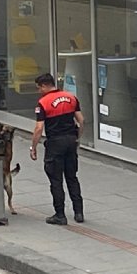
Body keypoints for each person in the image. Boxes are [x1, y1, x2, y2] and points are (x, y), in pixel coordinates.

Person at [30, 73, 85, 225]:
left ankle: (60, 215)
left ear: (44, 86)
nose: (39, 91)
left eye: (39, 88)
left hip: (55, 144)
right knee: (72, 177)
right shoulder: (71, 97)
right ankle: (78, 212)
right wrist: (77, 138)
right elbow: (81, 120)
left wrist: (33, 147)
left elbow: (39, 128)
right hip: (70, 141)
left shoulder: (43, 103)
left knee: (56, 180)